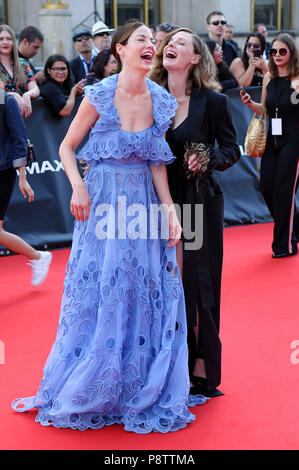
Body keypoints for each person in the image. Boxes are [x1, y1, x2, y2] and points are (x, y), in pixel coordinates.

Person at [11, 21, 207, 433]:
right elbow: (66, 146)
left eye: (154, 41)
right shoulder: (100, 93)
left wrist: (170, 209)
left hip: (143, 203)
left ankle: (136, 381)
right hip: (102, 202)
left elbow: (156, 161)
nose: (151, 45)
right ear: (120, 49)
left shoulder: (159, 99)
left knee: (145, 284)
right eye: (142, 40)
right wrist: (77, 186)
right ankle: (98, 382)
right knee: (107, 284)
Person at [151, 28, 241, 397]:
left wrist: (206, 158)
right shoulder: (150, 98)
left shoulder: (213, 102)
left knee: (196, 284)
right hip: (155, 203)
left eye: (181, 43)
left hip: (198, 203)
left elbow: (232, 150)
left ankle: (199, 368)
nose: (171, 44)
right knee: (159, 285)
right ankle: (162, 369)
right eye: (168, 41)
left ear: (195, 58)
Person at [241, 33, 299, 258]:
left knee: (284, 191)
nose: (276, 56)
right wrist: (250, 104)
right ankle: (294, 228)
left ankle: (284, 245)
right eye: (273, 52)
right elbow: (265, 109)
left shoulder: (296, 81)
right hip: (272, 142)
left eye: (282, 51)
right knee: (266, 187)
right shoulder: (268, 78)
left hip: (293, 141)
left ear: (292, 53)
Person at [0, 89, 52, 285]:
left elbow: (19, 141)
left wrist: (22, 177)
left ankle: (38, 257)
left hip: (3, 170)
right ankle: (38, 257)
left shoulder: (6, 101)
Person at [0, 24, 40, 118]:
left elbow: (35, 88)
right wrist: (13, 95)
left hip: (24, 118)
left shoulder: (23, 63)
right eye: (1, 39)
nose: (5, 42)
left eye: (9, 39)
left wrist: (28, 95)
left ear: (13, 42)